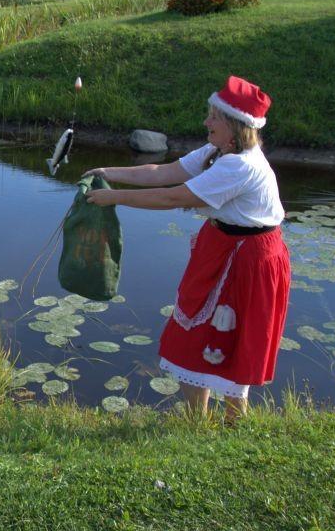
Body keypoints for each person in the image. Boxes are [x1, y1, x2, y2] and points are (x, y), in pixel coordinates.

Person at [84, 76, 290, 422]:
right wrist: (109, 171)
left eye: (214, 117)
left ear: (237, 126)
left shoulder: (240, 165)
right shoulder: (218, 152)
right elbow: (163, 172)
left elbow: (173, 196)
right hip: (224, 246)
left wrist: (113, 197)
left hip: (249, 258)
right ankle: (199, 420)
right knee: (196, 332)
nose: (207, 122)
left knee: (231, 334)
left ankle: (233, 421)